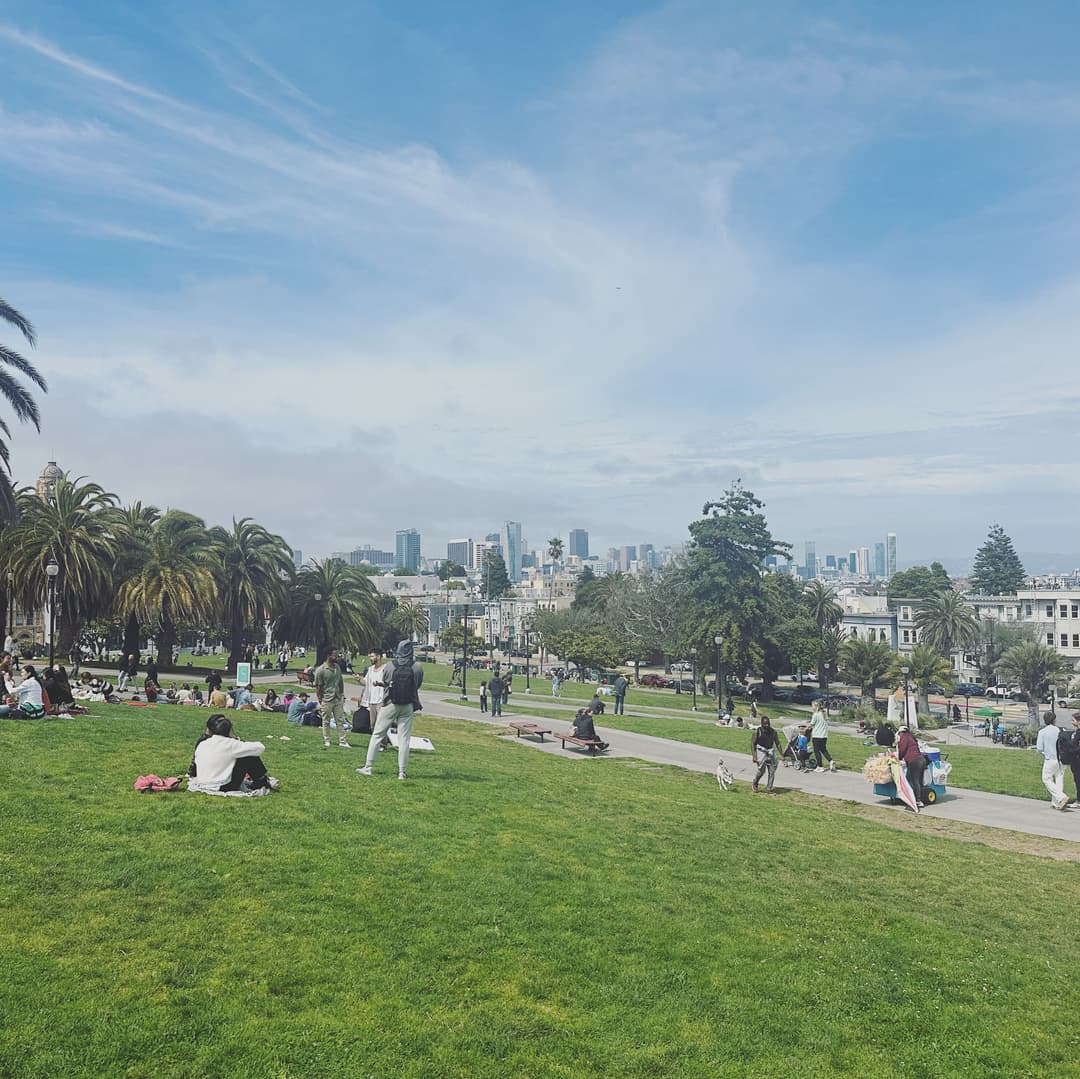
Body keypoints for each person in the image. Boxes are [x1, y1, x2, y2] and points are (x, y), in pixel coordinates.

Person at [357, 639, 424, 780]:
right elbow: (417, 685)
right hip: (408, 705)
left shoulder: (389, 666)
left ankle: (368, 767)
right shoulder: (417, 667)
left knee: (377, 735)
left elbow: (386, 683)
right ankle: (402, 772)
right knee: (404, 739)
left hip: (390, 704)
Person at [189, 714, 277, 793]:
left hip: (202, 782)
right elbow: (260, 747)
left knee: (243, 753)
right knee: (248, 755)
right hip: (221, 785)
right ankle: (261, 782)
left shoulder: (203, 743)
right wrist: (236, 739)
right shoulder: (231, 744)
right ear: (229, 731)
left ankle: (261, 781)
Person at [315, 648, 350, 748]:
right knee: (326, 721)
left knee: (340, 720)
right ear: (328, 655)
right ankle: (327, 740)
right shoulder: (321, 670)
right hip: (327, 698)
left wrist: (342, 694)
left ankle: (342, 741)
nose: (337, 657)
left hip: (337, 698)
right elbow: (318, 687)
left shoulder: (337, 667)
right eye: (334, 655)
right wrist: (320, 700)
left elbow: (340, 682)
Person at [1036, 712, 1069, 811]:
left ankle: (1061, 797)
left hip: (1050, 758)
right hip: (1061, 759)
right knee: (1059, 778)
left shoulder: (1042, 732)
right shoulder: (1060, 730)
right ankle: (1056, 802)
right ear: (1054, 720)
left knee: (1046, 779)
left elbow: (1039, 748)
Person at [896, 724, 929, 808]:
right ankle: (921, 798)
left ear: (901, 732)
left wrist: (899, 758)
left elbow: (902, 749)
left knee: (915, 781)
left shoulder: (904, 737)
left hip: (914, 761)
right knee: (919, 781)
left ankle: (917, 800)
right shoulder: (911, 737)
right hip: (921, 759)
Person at [751, 716, 781, 794]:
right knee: (761, 771)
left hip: (770, 751)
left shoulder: (773, 732)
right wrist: (754, 756)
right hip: (761, 751)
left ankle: (769, 788)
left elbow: (778, 743)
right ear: (761, 724)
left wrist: (782, 754)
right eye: (765, 724)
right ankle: (755, 782)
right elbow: (753, 744)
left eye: (768, 723)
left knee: (772, 770)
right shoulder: (757, 732)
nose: (767, 725)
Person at [808, 699, 835, 772]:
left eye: (812, 706)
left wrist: (807, 728)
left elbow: (811, 724)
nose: (811, 707)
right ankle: (831, 760)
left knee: (816, 751)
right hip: (824, 736)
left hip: (817, 735)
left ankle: (820, 766)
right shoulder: (824, 714)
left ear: (816, 706)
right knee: (823, 749)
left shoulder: (815, 715)